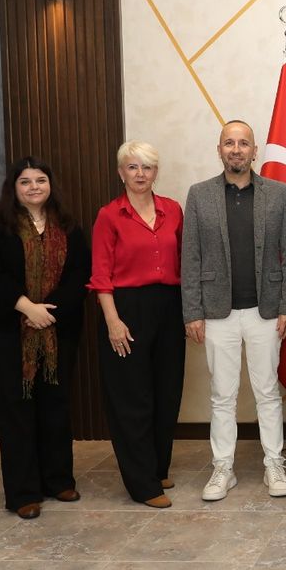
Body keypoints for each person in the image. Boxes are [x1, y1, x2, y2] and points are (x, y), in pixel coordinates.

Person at [182, 120, 286, 501]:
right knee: (222, 395)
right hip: (217, 312)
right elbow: (190, 257)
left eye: (243, 143)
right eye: (229, 143)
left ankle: (274, 465)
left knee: (267, 392)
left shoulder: (278, 194)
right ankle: (222, 469)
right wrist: (192, 311)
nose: (236, 149)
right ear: (219, 150)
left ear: (254, 151)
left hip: (267, 311)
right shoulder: (199, 195)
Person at [0, 157, 90, 519]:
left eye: (40, 180)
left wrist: (48, 313)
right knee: (16, 409)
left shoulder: (68, 227)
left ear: (50, 185)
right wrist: (27, 308)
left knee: (55, 405)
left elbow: (80, 274)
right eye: (25, 181)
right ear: (14, 187)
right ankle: (23, 492)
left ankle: (58, 480)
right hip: (8, 332)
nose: (34, 187)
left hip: (58, 329)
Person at [88, 140, 185, 508]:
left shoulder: (173, 210)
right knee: (132, 398)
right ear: (120, 172)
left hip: (169, 306)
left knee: (166, 392)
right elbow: (100, 275)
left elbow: (185, 262)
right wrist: (113, 321)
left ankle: (158, 468)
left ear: (156, 172)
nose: (140, 174)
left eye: (147, 167)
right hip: (126, 309)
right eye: (133, 167)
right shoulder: (109, 216)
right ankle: (143, 484)